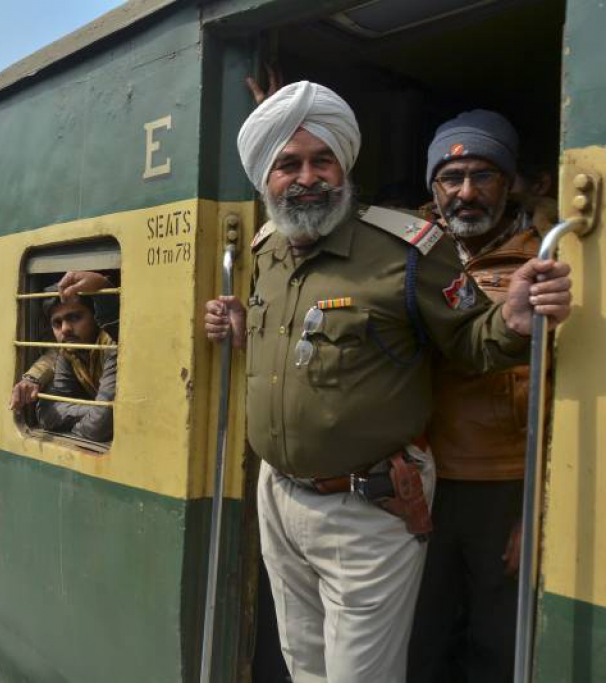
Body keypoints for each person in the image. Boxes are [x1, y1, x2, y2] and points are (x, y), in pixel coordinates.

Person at [203, 81, 572, 683]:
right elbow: (299, 348)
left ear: (344, 167)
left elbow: (471, 342)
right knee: (304, 665)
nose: (308, 178)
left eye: (323, 160)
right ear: (264, 179)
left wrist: (511, 321)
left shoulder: (408, 252)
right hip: (278, 495)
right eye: (288, 164)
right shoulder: (267, 249)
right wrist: (245, 331)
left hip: (369, 505)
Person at [408, 111, 542, 683]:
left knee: (496, 645)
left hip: (503, 487)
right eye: (451, 176)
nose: (465, 192)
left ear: (509, 183)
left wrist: (537, 508)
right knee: (418, 638)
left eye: (483, 175)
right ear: (433, 187)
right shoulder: (406, 252)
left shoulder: (545, 260)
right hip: (417, 478)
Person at [35, 271, 118, 443]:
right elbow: (47, 413)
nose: (65, 329)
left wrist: (75, 427)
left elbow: (99, 426)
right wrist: (93, 410)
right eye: (57, 323)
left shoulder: (112, 345)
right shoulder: (69, 353)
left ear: (95, 318)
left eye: (74, 317)